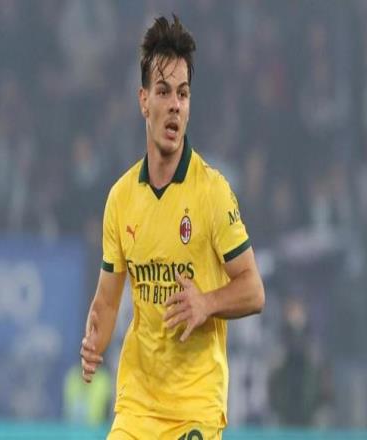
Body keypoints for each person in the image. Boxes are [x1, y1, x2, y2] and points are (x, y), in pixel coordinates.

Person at [80, 15, 265, 439]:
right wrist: (94, 343)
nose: (175, 105)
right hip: (137, 408)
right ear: (144, 101)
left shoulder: (212, 192)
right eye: (164, 92)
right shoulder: (121, 198)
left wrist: (207, 302)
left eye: (183, 93)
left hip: (194, 408)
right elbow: (107, 301)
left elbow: (254, 290)